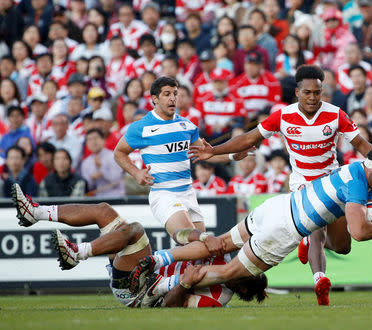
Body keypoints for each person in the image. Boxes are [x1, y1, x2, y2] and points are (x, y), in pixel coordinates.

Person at [189, 65, 372, 305]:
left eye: (317, 93)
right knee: (317, 231)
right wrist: (214, 151)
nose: (312, 97)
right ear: (298, 93)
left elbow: (362, 146)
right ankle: (319, 279)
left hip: (332, 183)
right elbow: (249, 138)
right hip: (302, 186)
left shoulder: (336, 115)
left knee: (343, 247)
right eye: (308, 92)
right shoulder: (282, 116)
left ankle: (306, 242)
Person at [132, 147, 372, 305]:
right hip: (283, 231)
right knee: (228, 272)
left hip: (275, 206)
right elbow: (360, 232)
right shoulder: (359, 184)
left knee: (219, 243)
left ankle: (158, 259)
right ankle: (164, 285)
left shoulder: (357, 172)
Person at [11, 184, 267, 308]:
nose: (239, 264)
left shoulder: (218, 298)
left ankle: (77, 254)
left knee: (135, 231)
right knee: (103, 211)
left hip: (139, 292)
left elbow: (169, 309)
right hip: (145, 269)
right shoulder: (222, 253)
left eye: (243, 271)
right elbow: (181, 235)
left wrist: (185, 285)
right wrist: (200, 237)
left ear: (241, 285)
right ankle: (35, 213)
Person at [114, 77, 250, 258]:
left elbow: (205, 155)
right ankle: (155, 262)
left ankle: (169, 279)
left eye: (175, 94)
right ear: (154, 98)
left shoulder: (186, 125)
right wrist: (136, 172)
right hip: (165, 195)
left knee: (203, 255)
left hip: (188, 194)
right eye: (167, 94)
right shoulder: (142, 127)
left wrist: (234, 156)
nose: (172, 98)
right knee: (199, 242)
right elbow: (119, 152)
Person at [81, 128, 125, 197]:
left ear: (103, 140)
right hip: (97, 200)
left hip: (116, 196)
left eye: (95, 138)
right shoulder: (86, 163)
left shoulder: (113, 157)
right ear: (86, 144)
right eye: (89, 139)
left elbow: (117, 179)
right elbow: (86, 187)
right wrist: (92, 179)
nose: (93, 142)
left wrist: (102, 170)